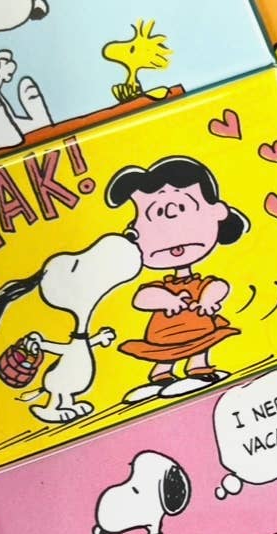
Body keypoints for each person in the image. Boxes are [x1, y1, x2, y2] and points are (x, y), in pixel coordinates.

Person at [105, 156, 249, 403]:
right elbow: (142, 298)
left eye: (181, 208)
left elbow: (219, 286)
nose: (170, 227)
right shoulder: (162, 286)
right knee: (164, 355)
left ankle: (199, 370)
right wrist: (167, 300)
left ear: (216, 213)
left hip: (200, 328)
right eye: (155, 214)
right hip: (163, 335)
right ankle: (161, 376)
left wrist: (208, 300)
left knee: (201, 347)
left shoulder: (199, 282)